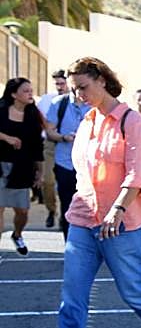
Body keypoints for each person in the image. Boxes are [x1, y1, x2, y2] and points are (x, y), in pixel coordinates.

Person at [29, 58, 141, 328]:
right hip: (83, 221)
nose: (79, 95)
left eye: (83, 87)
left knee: (136, 295)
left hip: (122, 224)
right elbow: (81, 173)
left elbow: (138, 173)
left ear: (101, 80)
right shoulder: (87, 121)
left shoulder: (132, 122)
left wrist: (116, 210)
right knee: (71, 298)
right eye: (74, 90)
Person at [0, 77, 46, 255]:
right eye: (26, 91)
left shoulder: (33, 116)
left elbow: (37, 148)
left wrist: (40, 173)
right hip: (0, 165)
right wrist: (7, 138)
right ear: (14, 94)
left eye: (31, 90)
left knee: (22, 211)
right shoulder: (2, 110)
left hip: (22, 168)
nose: (30, 93)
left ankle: (17, 234)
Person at [44, 76, 92, 238]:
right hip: (65, 162)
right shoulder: (59, 103)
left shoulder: (94, 104)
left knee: (90, 206)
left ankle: (86, 243)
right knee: (67, 204)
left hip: (90, 165)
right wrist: (64, 137)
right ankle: (70, 243)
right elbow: (50, 131)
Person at [34, 69, 67, 226]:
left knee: (67, 181)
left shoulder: (76, 100)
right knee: (48, 181)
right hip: (49, 144)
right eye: (57, 84)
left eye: (62, 83)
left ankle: (65, 213)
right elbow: (38, 119)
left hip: (68, 144)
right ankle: (51, 210)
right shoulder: (47, 100)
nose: (60, 86)